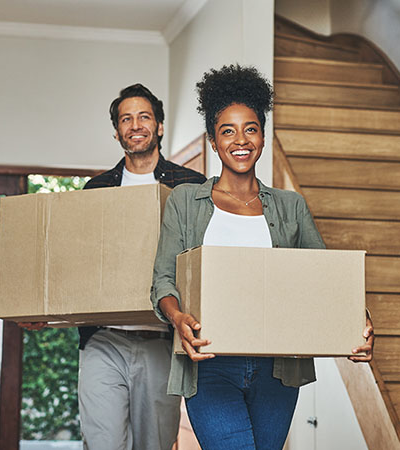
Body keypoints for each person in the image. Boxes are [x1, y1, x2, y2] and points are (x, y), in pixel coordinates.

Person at [151, 65, 374, 449]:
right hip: (210, 364)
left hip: (278, 369)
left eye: (250, 128)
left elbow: (324, 279)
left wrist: (358, 320)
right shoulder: (186, 203)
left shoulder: (291, 207)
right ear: (212, 140)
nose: (241, 139)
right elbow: (163, 280)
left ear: (264, 136)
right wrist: (177, 317)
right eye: (228, 130)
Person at [20, 83, 206, 450]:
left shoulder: (191, 186)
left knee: (155, 444)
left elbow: (202, 262)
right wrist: (44, 309)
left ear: (160, 126)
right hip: (103, 340)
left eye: (144, 117)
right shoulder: (97, 189)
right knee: (102, 442)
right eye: (126, 119)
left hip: (160, 340)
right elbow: (77, 263)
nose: (135, 125)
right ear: (117, 131)